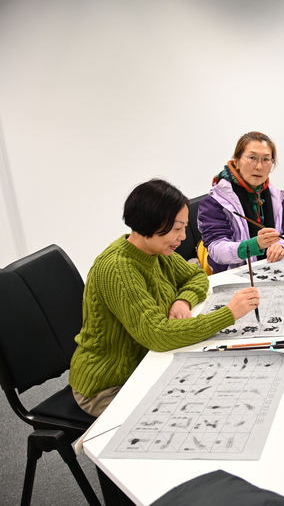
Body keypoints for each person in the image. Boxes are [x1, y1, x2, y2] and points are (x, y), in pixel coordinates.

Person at [70, 179, 261, 417]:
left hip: (149, 364)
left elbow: (196, 276)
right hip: (109, 385)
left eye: (184, 227)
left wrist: (183, 300)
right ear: (150, 222)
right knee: (192, 413)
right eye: (176, 228)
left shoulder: (155, 251)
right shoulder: (118, 268)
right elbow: (157, 335)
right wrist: (228, 314)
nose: (183, 237)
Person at [198, 131, 284, 273]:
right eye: (252, 158)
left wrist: (281, 245)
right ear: (236, 161)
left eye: (266, 159)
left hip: (272, 270)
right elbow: (216, 250)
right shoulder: (215, 201)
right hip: (235, 276)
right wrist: (254, 245)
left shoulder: (275, 196)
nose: (259, 166)